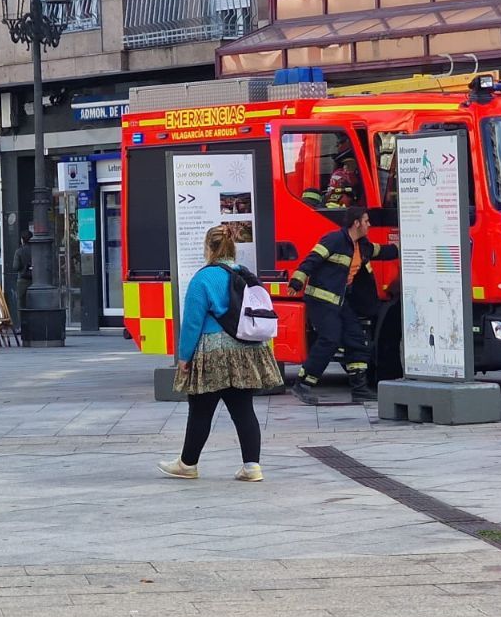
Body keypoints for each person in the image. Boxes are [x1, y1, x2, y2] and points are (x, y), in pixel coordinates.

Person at [159, 224, 282, 482]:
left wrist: (184, 357)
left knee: (201, 410)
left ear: (208, 248)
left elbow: (192, 323)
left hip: (212, 352)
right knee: (243, 409)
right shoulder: (246, 274)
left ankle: (187, 464)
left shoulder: (203, 279)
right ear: (232, 248)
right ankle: (252, 467)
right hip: (246, 351)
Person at [289, 206, 398, 405]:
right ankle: (302, 384)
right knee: (330, 338)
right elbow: (311, 260)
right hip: (321, 300)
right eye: (366, 221)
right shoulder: (334, 240)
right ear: (356, 223)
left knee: (355, 338)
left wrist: (409, 245)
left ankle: (359, 389)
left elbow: (384, 251)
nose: (369, 225)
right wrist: (297, 280)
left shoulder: (362, 246)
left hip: (340, 301)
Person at [11, 229, 33, 333]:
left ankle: (23, 326)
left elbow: (15, 266)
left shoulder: (19, 251)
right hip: (35, 279)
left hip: (23, 279)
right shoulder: (36, 250)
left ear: (22, 240)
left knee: (21, 303)